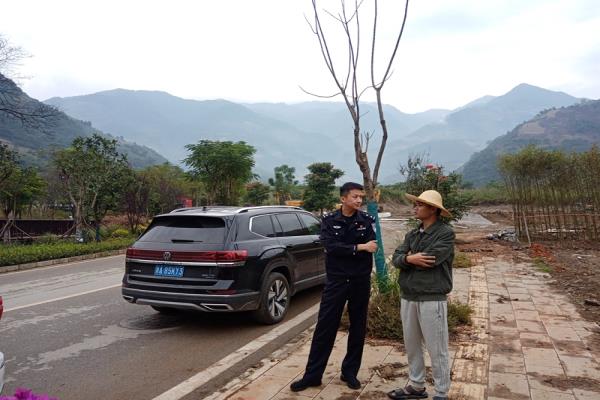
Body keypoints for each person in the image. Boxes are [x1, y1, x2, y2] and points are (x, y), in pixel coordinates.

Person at [290, 182, 378, 392]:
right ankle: (313, 375)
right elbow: (330, 246)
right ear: (343, 198)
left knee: (358, 327)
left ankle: (350, 372)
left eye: (361, 197)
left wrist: (352, 249)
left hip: (359, 281)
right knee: (325, 327)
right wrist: (359, 247)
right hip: (336, 281)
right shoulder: (329, 220)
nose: (359, 200)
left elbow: (372, 246)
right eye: (355, 196)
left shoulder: (367, 220)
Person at [388, 190, 455, 400]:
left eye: (420, 205)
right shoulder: (412, 234)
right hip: (408, 295)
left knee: (437, 348)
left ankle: (441, 392)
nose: (414, 208)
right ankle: (416, 386)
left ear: (433, 209)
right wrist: (408, 259)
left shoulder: (445, 233)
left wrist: (409, 259)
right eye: (415, 204)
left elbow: (430, 259)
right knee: (412, 345)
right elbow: (396, 258)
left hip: (432, 297)